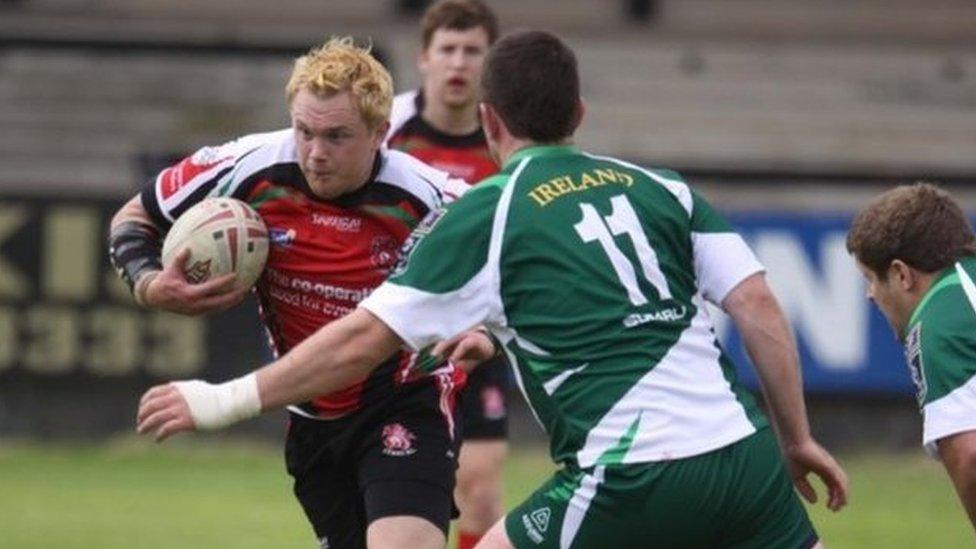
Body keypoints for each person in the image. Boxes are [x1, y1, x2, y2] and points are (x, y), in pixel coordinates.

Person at [136, 30, 849, 548]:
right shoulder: (663, 186)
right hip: (747, 453)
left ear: (489, 121)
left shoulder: (489, 208)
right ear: (578, 117)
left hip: (629, 466)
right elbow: (757, 306)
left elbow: (362, 338)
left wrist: (220, 397)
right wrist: (798, 438)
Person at [110, 37, 481, 549]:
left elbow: (513, 269)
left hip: (404, 400)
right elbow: (133, 218)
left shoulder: (433, 199)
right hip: (311, 416)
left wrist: (486, 330)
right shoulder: (246, 165)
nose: (314, 152)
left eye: (336, 137)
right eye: (304, 131)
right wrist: (151, 284)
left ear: (379, 132)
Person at [384, 2, 505, 547]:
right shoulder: (384, 128)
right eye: (448, 49)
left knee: (477, 485)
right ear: (424, 59)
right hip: (398, 332)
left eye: (472, 50)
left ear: (489, 60)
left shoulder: (506, 136)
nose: (459, 62)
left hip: (478, 330)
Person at [847, 182, 976, 530]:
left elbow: (969, 459)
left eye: (871, 279)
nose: (869, 295)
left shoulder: (937, 327)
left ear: (902, 275)